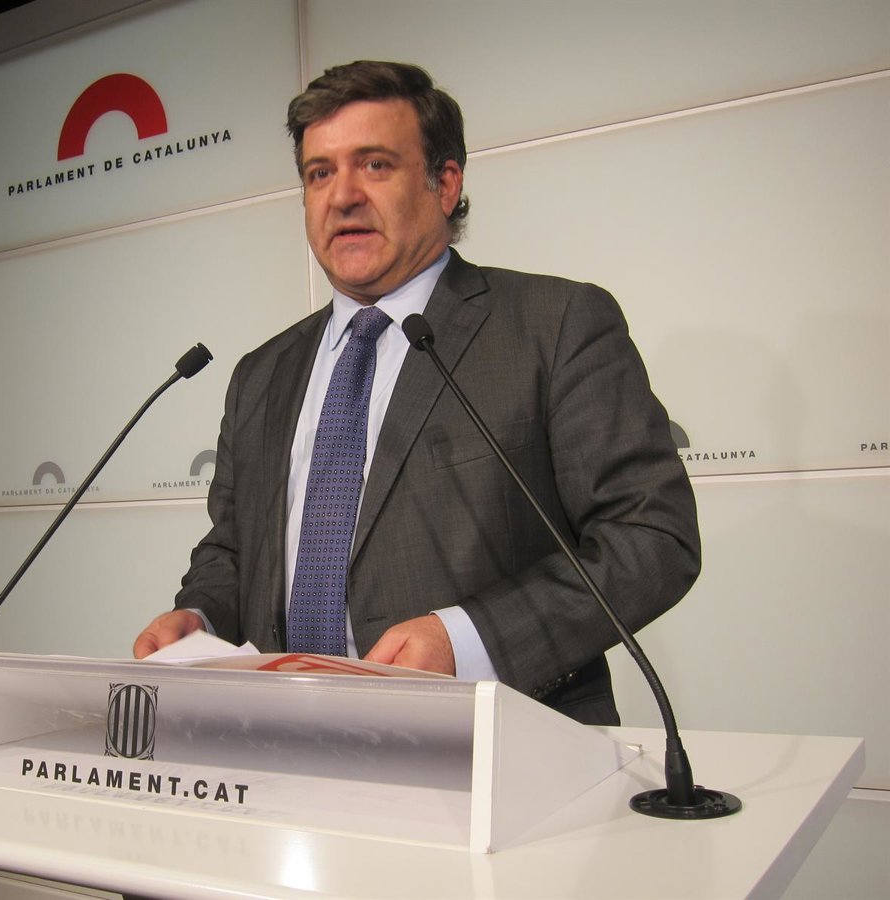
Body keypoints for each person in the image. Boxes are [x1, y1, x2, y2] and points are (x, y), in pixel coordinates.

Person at [133, 61, 699, 725]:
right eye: (319, 173)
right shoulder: (262, 374)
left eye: (374, 165)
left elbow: (650, 536)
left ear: (445, 182)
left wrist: (468, 641)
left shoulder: (553, 325)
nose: (342, 196)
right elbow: (233, 551)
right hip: (281, 742)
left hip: (499, 743)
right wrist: (200, 617)